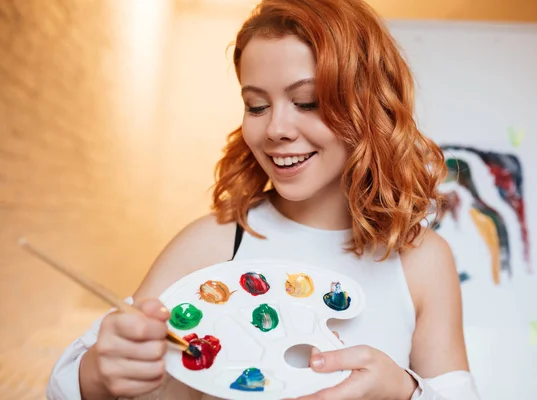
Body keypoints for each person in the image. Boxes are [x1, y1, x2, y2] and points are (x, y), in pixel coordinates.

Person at [47, 0, 481, 399]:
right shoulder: (213, 244)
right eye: (256, 106)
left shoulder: (422, 261)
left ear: (372, 107)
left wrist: (403, 392)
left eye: (307, 102)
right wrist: (99, 376)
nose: (275, 129)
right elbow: (65, 385)